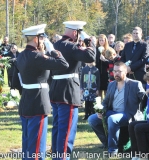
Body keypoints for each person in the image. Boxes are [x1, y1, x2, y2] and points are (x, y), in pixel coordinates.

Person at [16, 24, 69, 160]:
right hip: (38, 102)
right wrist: (53, 51)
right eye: (42, 37)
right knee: (37, 146)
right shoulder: (38, 57)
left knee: (28, 142)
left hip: (26, 101)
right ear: (36, 39)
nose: (44, 40)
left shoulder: (21, 55)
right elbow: (64, 64)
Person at [49, 21, 96, 160]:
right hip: (68, 91)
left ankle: (56, 156)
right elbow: (91, 57)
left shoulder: (56, 44)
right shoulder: (71, 46)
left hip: (56, 88)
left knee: (57, 128)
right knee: (67, 130)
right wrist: (90, 42)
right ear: (76, 32)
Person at [88, 61, 146, 156]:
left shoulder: (135, 84)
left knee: (112, 119)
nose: (116, 74)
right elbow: (106, 102)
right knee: (92, 119)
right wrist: (101, 111)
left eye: (119, 71)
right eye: (114, 71)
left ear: (126, 71)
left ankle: (113, 150)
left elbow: (144, 98)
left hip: (127, 114)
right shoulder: (111, 84)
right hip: (112, 112)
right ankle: (106, 142)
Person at [95, 34, 110, 100]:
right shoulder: (96, 49)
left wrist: (104, 60)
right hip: (97, 71)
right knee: (99, 89)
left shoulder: (108, 49)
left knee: (106, 88)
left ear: (105, 41)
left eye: (102, 40)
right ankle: (99, 105)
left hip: (105, 72)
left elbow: (110, 61)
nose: (101, 42)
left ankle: (106, 103)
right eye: (100, 40)